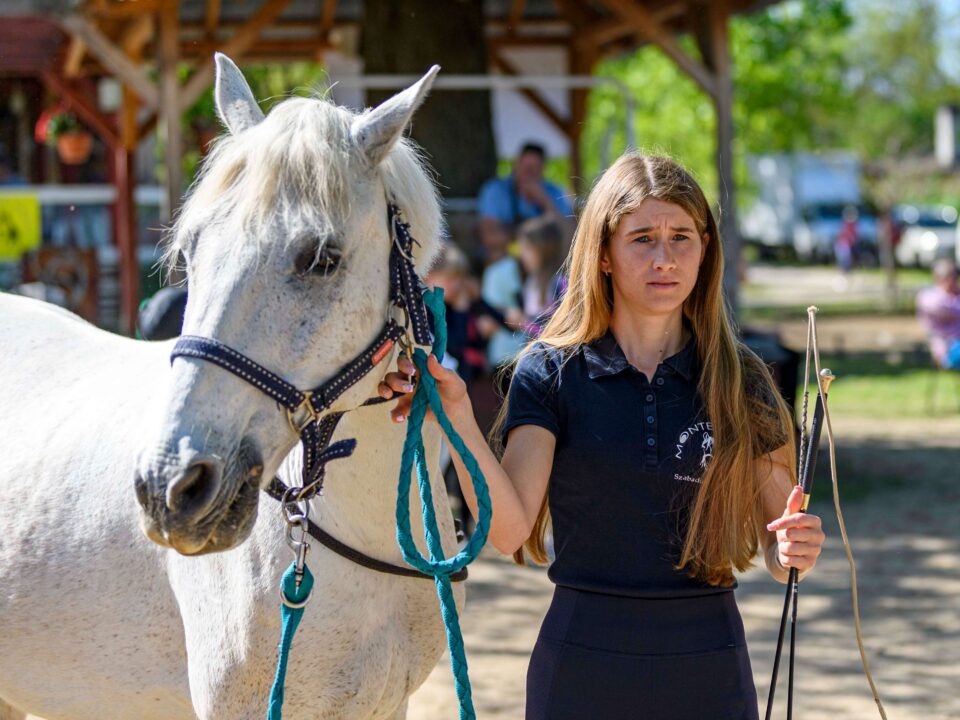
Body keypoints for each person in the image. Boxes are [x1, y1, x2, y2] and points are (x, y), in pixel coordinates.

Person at [379, 153, 825, 718]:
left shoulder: (742, 379)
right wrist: (459, 416)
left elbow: (780, 547)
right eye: (642, 238)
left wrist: (795, 548)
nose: (664, 258)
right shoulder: (549, 373)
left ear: (705, 248)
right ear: (605, 254)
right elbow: (508, 529)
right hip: (581, 661)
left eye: (681, 236)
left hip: (708, 664)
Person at [476, 141, 574, 260]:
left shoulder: (554, 192)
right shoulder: (496, 190)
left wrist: (544, 201)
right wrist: (524, 246)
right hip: (508, 254)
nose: (528, 173)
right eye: (525, 167)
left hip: (544, 259)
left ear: (543, 170)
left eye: (534, 168)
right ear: (516, 165)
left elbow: (568, 234)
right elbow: (489, 236)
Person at [514, 215, 566, 339]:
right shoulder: (529, 283)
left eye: (527, 248)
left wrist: (524, 324)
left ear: (545, 249)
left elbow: (561, 335)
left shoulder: (559, 285)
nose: (522, 255)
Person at [917, 258, 960, 369]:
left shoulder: (955, 296)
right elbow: (941, 308)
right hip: (948, 350)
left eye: (955, 277)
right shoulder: (930, 297)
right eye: (951, 277)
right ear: (939, 278)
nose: (954, 281)